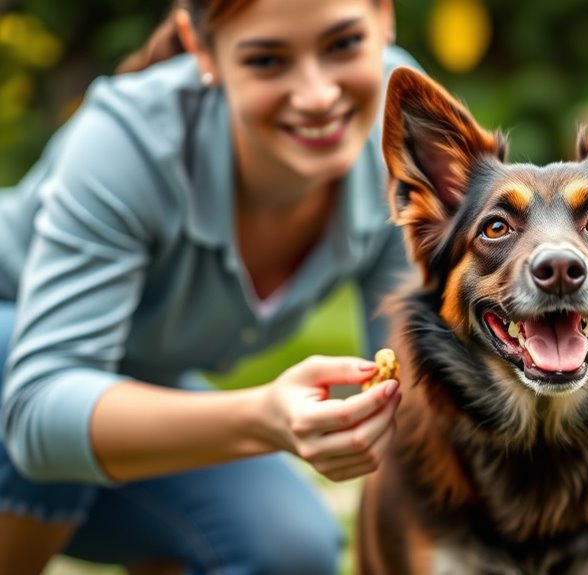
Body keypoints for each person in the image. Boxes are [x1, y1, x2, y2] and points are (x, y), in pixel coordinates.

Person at [0, 0, 416, 572]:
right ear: (202, 50)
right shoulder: (129, 141)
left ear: (385, 18)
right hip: (22, 368)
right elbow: (38, 411)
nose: (318, 95)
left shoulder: (401, 124)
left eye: (343, 44)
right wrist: (261, 418)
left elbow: (420, 382)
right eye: (268, 60)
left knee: (288, 549)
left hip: (125, 385)